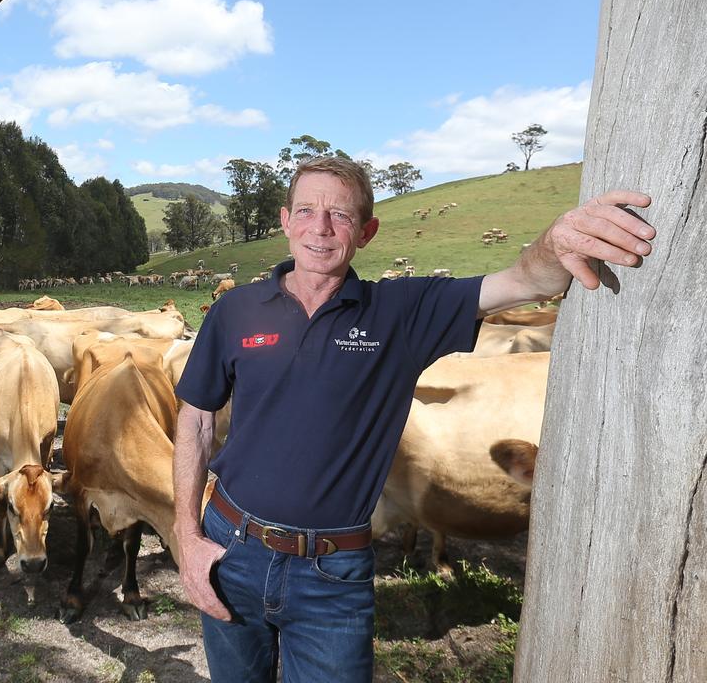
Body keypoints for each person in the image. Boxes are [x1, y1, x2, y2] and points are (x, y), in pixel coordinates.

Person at [172, 156, 654, 682]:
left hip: (331, 575)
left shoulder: (401, 311)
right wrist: (187, 538)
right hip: (231, 547)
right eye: (306, 210)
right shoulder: (235, 310)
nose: (321, 227)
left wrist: (559, 239)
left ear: (367, 232)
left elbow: (523, 281)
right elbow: (195, 420)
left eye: (341, 215)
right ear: (286, 220)